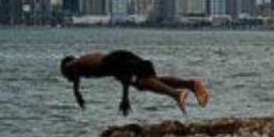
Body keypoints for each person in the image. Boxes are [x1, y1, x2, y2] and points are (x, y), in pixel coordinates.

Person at [60, 51, 209, 116]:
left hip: (119, 61)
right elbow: (76, 80)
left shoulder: (78, 64)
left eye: (67, 76)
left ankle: (176, 94)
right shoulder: (85, 65)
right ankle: (191, 84)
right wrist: (76, 92)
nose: (70, 79)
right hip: (121, 57)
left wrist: (125, 99)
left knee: (142, 83)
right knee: (150, 81)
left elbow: (124, 77)